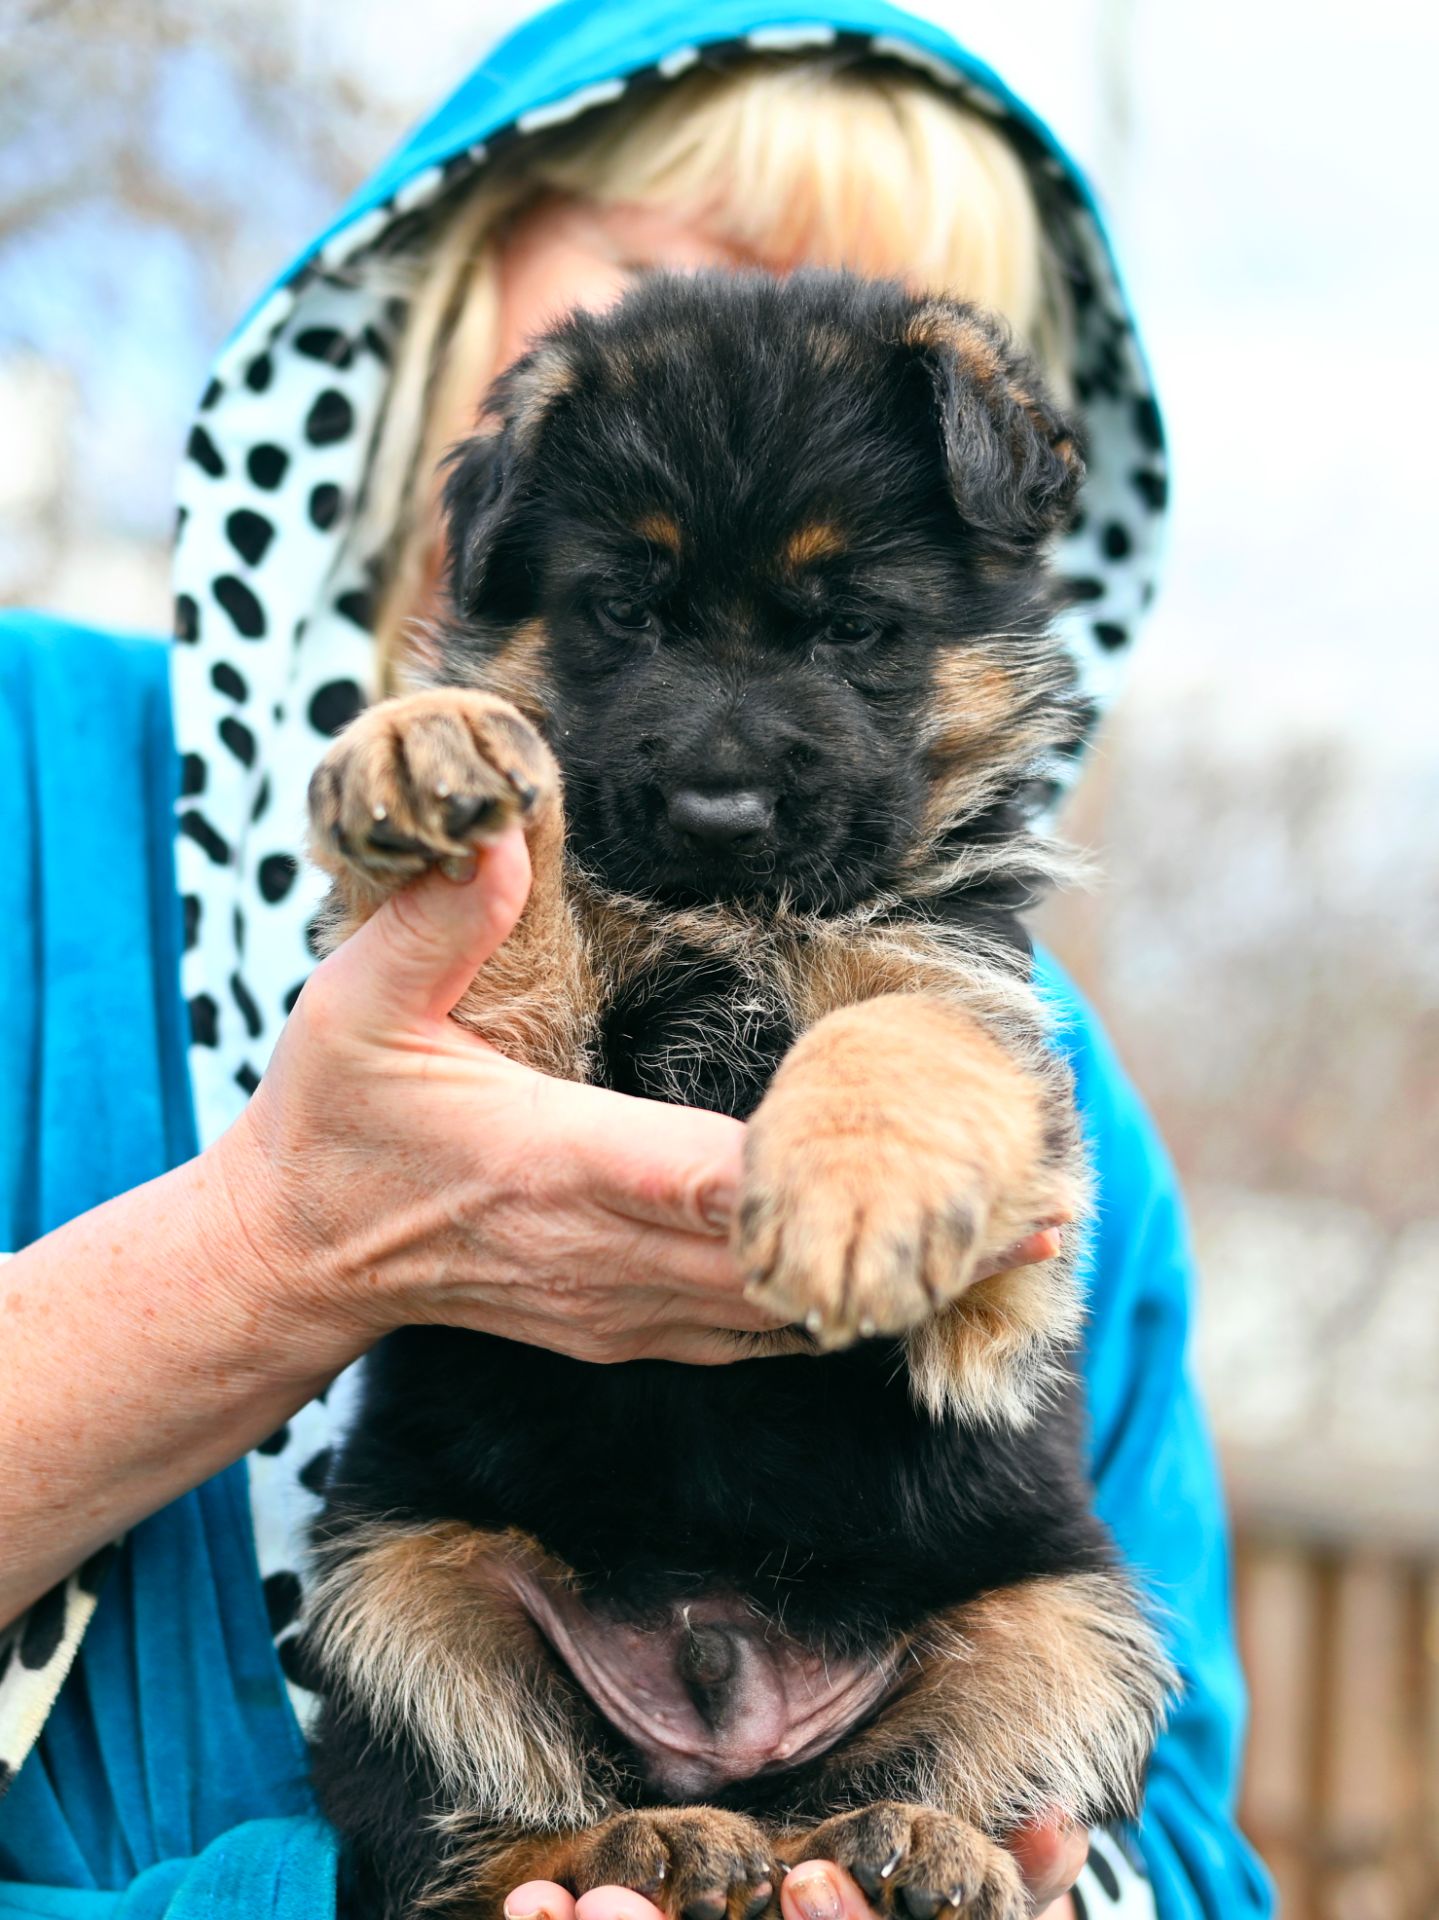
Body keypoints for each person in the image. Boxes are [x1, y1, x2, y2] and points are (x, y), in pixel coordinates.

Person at [0, 4, 1274, 1918]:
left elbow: (1180, 1847)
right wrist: (273, 1248)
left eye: (844, 627)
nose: (730, 751)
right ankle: (528, 1853)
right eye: (690, 287)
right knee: (406, 1594)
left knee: (1070, 1638)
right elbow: (490, 1013)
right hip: (509, 1629)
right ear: (466, 263)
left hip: (900, 1664)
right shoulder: (38, 770)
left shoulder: (1047, 1035)